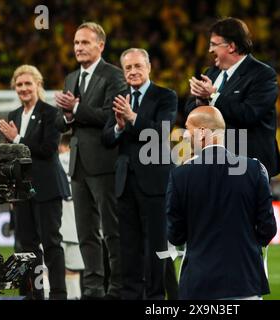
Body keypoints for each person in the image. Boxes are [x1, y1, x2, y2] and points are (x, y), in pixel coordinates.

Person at [166, 106, 277, 300]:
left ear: (202, 132)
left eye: (188, 129)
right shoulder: (254, 169)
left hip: (199, 284)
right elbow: (268, 228)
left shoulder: (180, 175)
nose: (184, 136)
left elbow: (175, 235)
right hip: (245, 281)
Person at [54, 22, 127, 299]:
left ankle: (117, 288)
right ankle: (94, 289)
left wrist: (75, 108)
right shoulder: (71, 77)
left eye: (85, 42)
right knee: (86, 233)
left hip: (104, 162)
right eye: (76, 43)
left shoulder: (114, 76)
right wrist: (68, 116)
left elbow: (110, 117)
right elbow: (66, 123)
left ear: (101, 45)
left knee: (111, 231)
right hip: (78, 164)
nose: (78, 48)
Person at [102, 48, 177, 300]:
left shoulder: (165, 96)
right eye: (128, 68)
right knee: (129, 247)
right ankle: (131, 295)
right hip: (125, 182)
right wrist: (118, 127)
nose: (133, 72)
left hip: (154, 182)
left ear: (149, 67)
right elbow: (106, 138)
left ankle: (156, 298)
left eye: (137, 66)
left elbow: (159, 133)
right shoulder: (119, 96)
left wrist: (132, 117)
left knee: (156, 245)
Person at [0, 65, 70, 300]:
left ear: (38, 85)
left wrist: (17, 138)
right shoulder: (14, 116)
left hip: (47, 189)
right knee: (25, 249)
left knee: (51, 244)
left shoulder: (52, 113)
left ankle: (58, 295)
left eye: (28, 83)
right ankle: (32, 295)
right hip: (22, 193)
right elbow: (12, 157)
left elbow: (48, 150)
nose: (24, 88)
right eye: (19, 85)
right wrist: (10, 191)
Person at [185, 17, 280, 178]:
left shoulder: (262, 74)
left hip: (247, 163)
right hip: (212, 163)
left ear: (231, 46)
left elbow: (250, 114)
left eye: (214, 44)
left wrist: (213, 96)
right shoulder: (211, 73)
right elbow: (190, 111)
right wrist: (200, 100)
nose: (209, 50)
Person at [58, 133, 85, 300]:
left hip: (57, 225)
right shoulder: (83, 163)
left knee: (49, 270)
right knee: (74, 271)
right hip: (77, 227)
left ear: (63, 146)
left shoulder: (56, 162)